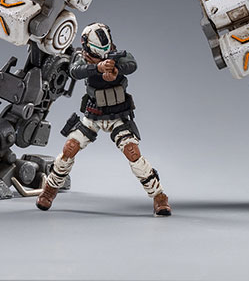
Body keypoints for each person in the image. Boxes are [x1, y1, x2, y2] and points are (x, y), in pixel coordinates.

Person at [36, 22, 171, 216]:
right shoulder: (82, 58)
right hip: (93, 115)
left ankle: (159, 196)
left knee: (132, 152)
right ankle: (50, 190)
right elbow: (75, 71)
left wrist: (116, 68)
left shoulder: (116, 55)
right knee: (70, 148)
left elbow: (132, 64)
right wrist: (97, 68)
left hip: (118, 115)